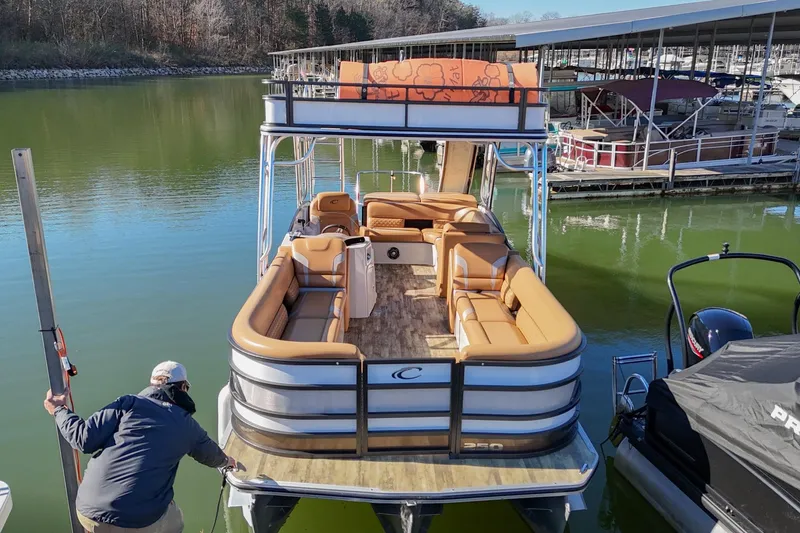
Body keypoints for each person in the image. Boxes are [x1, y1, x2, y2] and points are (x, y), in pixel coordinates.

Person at [43, 361, 236, 533]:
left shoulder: (127, 403)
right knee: (174, 520)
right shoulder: (186, 424)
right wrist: (229, 461)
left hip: (89, 510)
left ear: (152, 384)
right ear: (183, 387)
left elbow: (82, 439)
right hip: (137, 521)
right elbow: (211, 455)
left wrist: (59, 410)